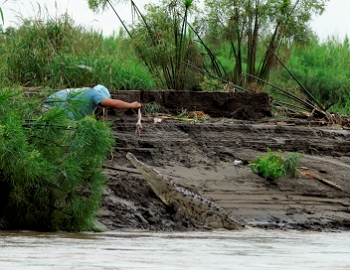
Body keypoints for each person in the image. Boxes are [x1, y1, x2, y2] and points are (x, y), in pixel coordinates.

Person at [43, 84, 141, 119]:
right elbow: (114, 103)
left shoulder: (82, 91)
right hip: (58, 112)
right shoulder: (94, 93)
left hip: (46, 107)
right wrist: (131, 105)